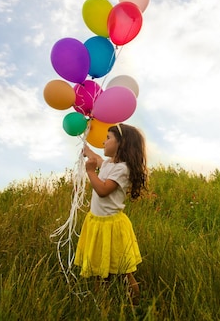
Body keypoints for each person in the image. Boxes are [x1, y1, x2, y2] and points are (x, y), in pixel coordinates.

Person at [75, 122, 148, 304]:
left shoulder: (122, 169)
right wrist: (86, 148)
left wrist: (90, 171)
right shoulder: (108, 163)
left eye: (108, 138)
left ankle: (136, 308)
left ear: (121, 144)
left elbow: (103, 190)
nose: (103, 141)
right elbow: (97, 158)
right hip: (98, 224)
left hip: (112, 227)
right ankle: (102, 306)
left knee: (125, 273)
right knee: (100, 272)